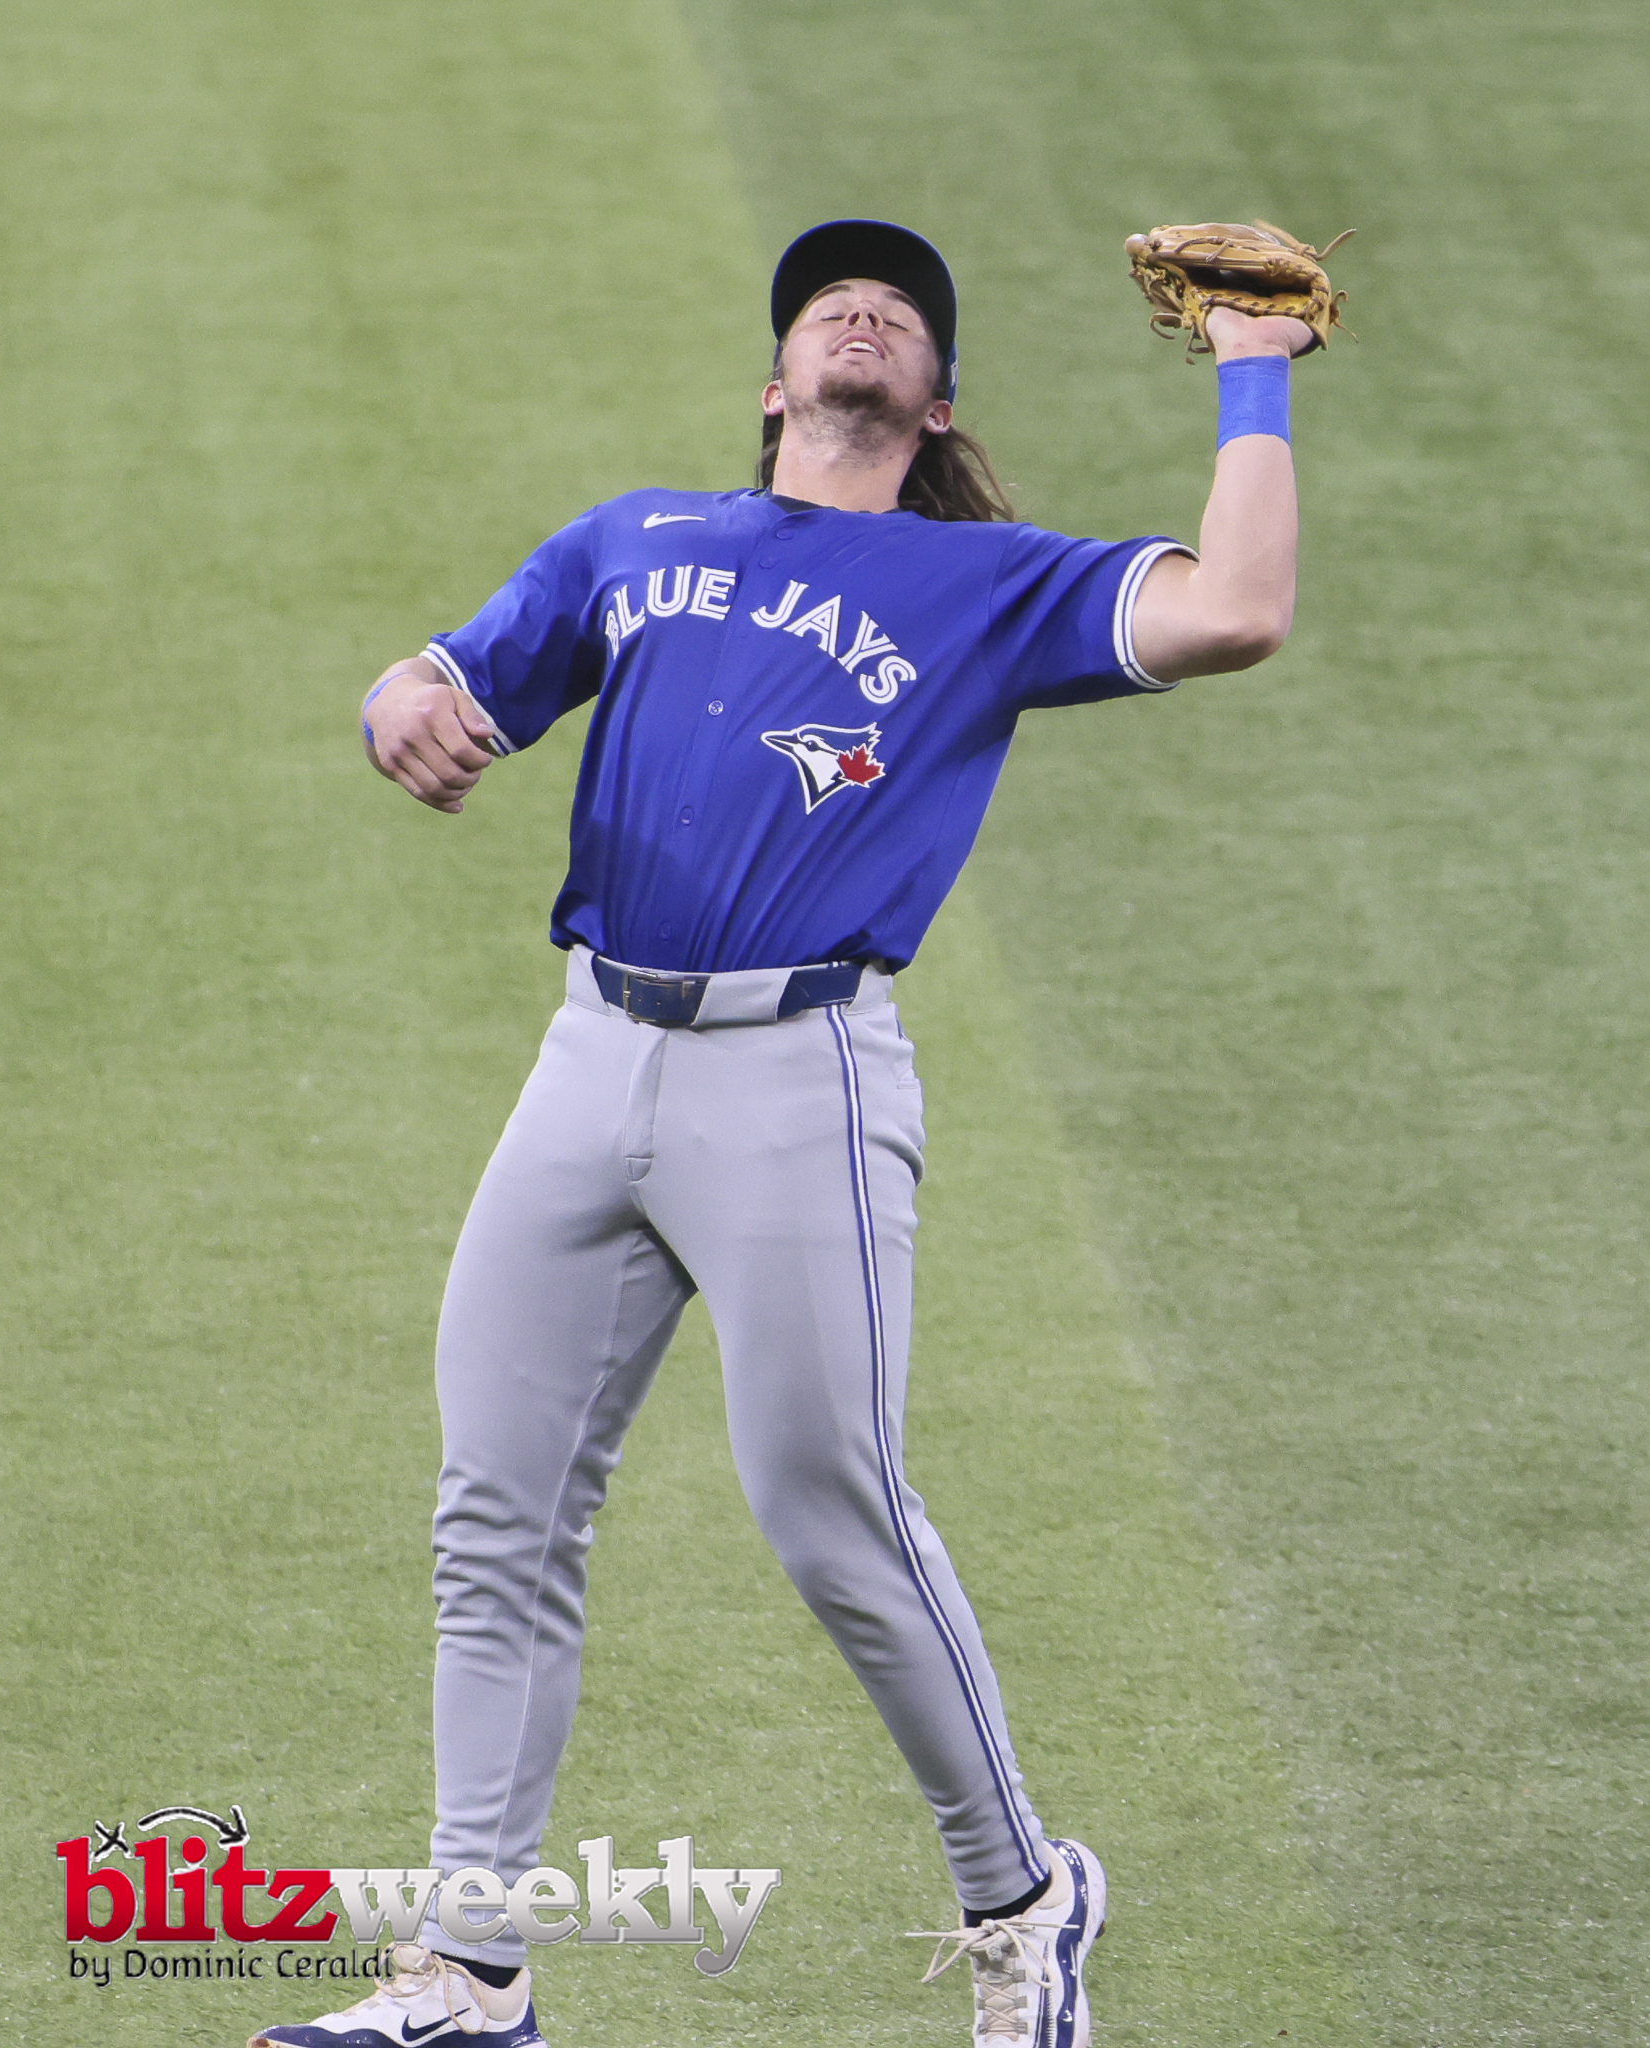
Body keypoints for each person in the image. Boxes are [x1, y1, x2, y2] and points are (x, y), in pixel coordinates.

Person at [249, 218, 1312, 2048]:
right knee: (494, 1516)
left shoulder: (982, 582)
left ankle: (1021, 1895)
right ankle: (471, 1972)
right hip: (590, 1061)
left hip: (797, 1077)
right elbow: (439, 680)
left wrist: (1253, 372)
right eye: (832, 295)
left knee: (831, 1508)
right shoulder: (638, 539)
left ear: (933, 401)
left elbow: (1235, 610)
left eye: (900, 308)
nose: (863, 304)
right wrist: (393, 708)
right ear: (773, 383)